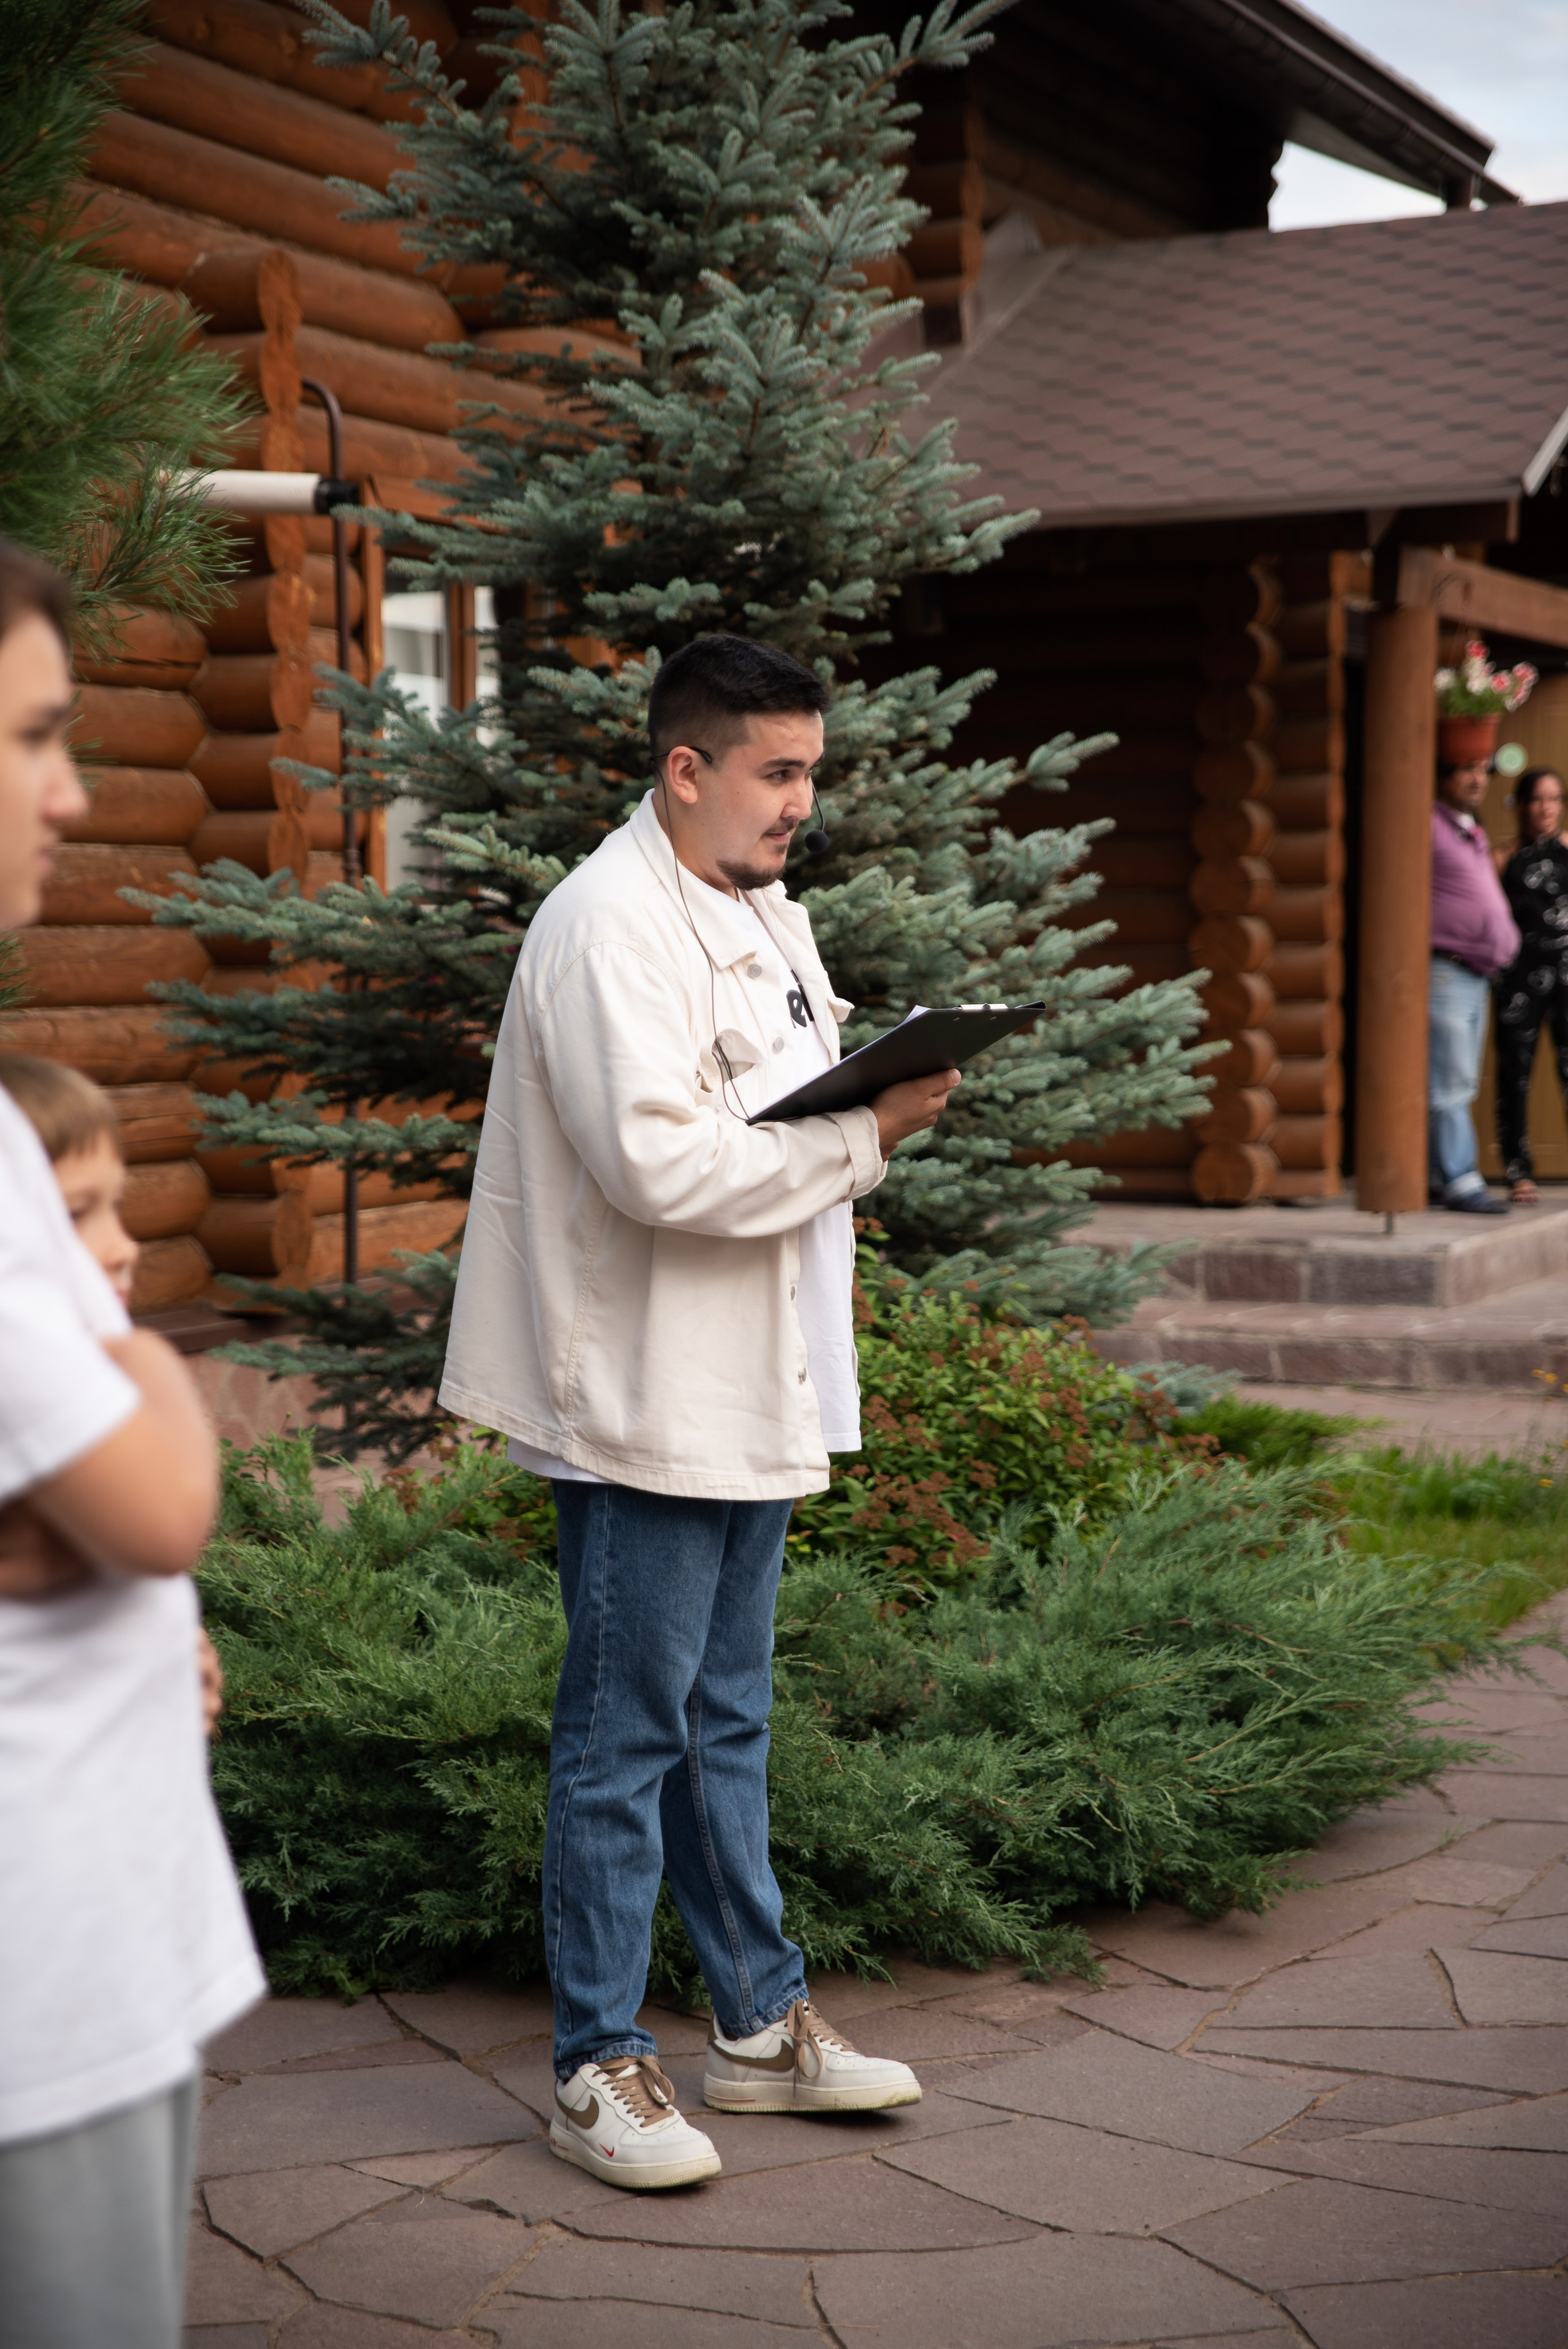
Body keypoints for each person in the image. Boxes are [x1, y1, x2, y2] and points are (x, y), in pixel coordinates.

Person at [442, 633, 960, 2192]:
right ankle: (595, 2062)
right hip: (644, 1391)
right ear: (685, 767)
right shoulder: (608, 924)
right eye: (776, 769)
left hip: (746, 1377)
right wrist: (867, 1131)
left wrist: (868, 1091)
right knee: (622, 1737)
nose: (802, 797)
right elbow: (662, 1166)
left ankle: (754, 2021)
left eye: (809, 766)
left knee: (722, 1717)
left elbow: (775, 1111)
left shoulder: (748, 905)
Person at [0, 539, 263, 2349]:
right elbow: (162, 1500)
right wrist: (139, 1360)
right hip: (40, 1981)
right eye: (28, 738)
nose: (76, 793)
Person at [0, 1051, 225, 1731]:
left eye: (115, 1205)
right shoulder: (119, 1363)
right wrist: (147, 1356)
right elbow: (168, 1527)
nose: (123, 1245)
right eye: (74, 1214)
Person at [1429, 752, 1520, 1215]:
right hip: (1444, 969)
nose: (1477, 778)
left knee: (1459, 1078)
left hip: (1475, 975)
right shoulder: (1428, 823)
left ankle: (1438, 1174)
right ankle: (1460, 1179)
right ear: (1444, 775)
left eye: (1483, 770)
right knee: (1451, 1081)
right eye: (1466, 768)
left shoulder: (1470, 829)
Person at [1493, 767, 1568, 1205]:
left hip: (1567, 976)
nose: (1546, 807)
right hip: (1519, 978)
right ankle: (1518, 1171)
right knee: (1514, 1076)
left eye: (1554, 798)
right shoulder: (1503, 857)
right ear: (1521, 805)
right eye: (1538, 799)